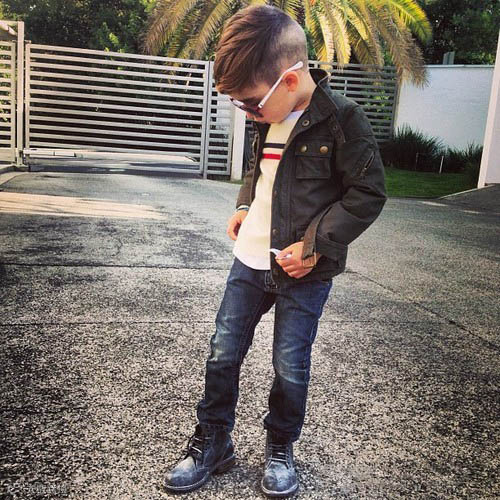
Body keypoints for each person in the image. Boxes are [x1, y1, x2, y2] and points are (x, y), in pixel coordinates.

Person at [164, 5, 387, 497]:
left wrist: (314, 245)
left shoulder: (343, 119)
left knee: (290, 364)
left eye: (249, 103)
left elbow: (367, 193)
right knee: (223, 354)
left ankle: (281, 448)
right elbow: (259, 168)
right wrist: (245, 205)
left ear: (289, 80)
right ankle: (213, 442)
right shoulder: (269, 112)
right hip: (249, 260)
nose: (246, 112)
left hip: (303, 271)